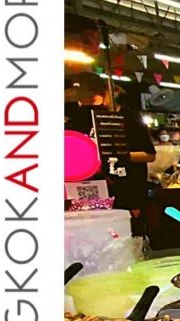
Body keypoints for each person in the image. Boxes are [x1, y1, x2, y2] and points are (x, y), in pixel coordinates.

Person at [64, 73, 156, 235]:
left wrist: (118, 155)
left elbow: (149, 154)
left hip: (128, 189)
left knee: (128, 233)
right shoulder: (83, 117)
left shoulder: (131, 118)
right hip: (91, 189)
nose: (85, 102)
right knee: (95, 233)